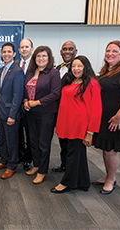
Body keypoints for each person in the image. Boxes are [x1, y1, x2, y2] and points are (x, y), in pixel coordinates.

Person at [51, 56, 102, 193]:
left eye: (79, 66)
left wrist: (90, 132)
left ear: (86, 67)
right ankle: (82, 182)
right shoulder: (72, 81)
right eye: (73, 66)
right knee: (77, 154)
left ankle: (67, 183)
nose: (76, 69)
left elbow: (96, 109)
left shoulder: (91, 83)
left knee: (72, 155)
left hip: (79, 126)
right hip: (67, 123)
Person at [92, 41, 120, 195]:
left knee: (111, 150)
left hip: (116, 119)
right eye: (108, 50)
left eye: (115, 51)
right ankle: (108, 176)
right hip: (105, 118)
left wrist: (118, 117)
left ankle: (111, 180)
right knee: (106, 148)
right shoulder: (107, 71)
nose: (110, 53)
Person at [23, 46, 61, 184]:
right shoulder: (30, 71)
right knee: (32, 141)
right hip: (30, 113)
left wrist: (37, 102)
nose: (41, 59)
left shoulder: (53, 73)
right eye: (38, 56)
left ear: (49, 58)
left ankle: (42, 171)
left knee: (43, 143)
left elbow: (55, 93)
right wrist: (26, 100)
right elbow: (25, 88)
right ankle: (36, 165)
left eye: (44, 56)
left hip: (46, 113)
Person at [0, 42, 24, 179]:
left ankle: (12, 165)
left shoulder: (18, 71)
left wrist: (12, 115)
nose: (6, 54)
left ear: (14, 54)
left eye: (9, 52)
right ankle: (4, 161)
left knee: (12, 141)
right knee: (3, 140)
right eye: (4, 52)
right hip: (1, 113)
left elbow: (18, 95)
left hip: (11, 114)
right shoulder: (1, 70)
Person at [52, 41, 78, 173]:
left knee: (72, 143)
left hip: (72, 113)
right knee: (62, 140)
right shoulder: (57, 68)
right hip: (58, 111)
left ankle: (71, 170)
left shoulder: (78, 70)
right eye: (64, 49)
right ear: (61, 52)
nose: (67, 51)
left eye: (70, 49)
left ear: (75, 52)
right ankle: (64, 165)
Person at [15, 38, 34, 171]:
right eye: (22, 47)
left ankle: (28, 159)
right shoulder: (14, 64)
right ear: (18, 50)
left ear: (32, 49)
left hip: (30, 106)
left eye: (27, 47)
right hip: (16, 105)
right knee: (17, 133)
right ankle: (19, 156)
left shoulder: (37, 64)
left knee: (30, 134)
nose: (24, 49)